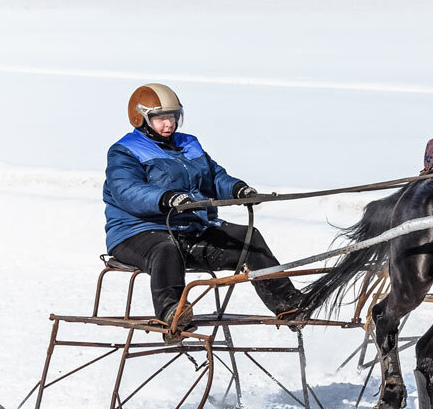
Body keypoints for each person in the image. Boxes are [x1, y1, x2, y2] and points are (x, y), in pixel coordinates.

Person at [103, 83, 302, 332]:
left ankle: (290, 304)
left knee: (248, 238)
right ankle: (172, 312)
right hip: (136, 233)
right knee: (166, 247)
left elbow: (214, 177)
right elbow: (126, 191)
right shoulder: (124, 152)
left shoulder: (189, 144)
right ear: (141, 118)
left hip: (190, 229)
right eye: (160, 118)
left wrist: (237, 189)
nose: (169, 124)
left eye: (173, 117)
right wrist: (166, 197)